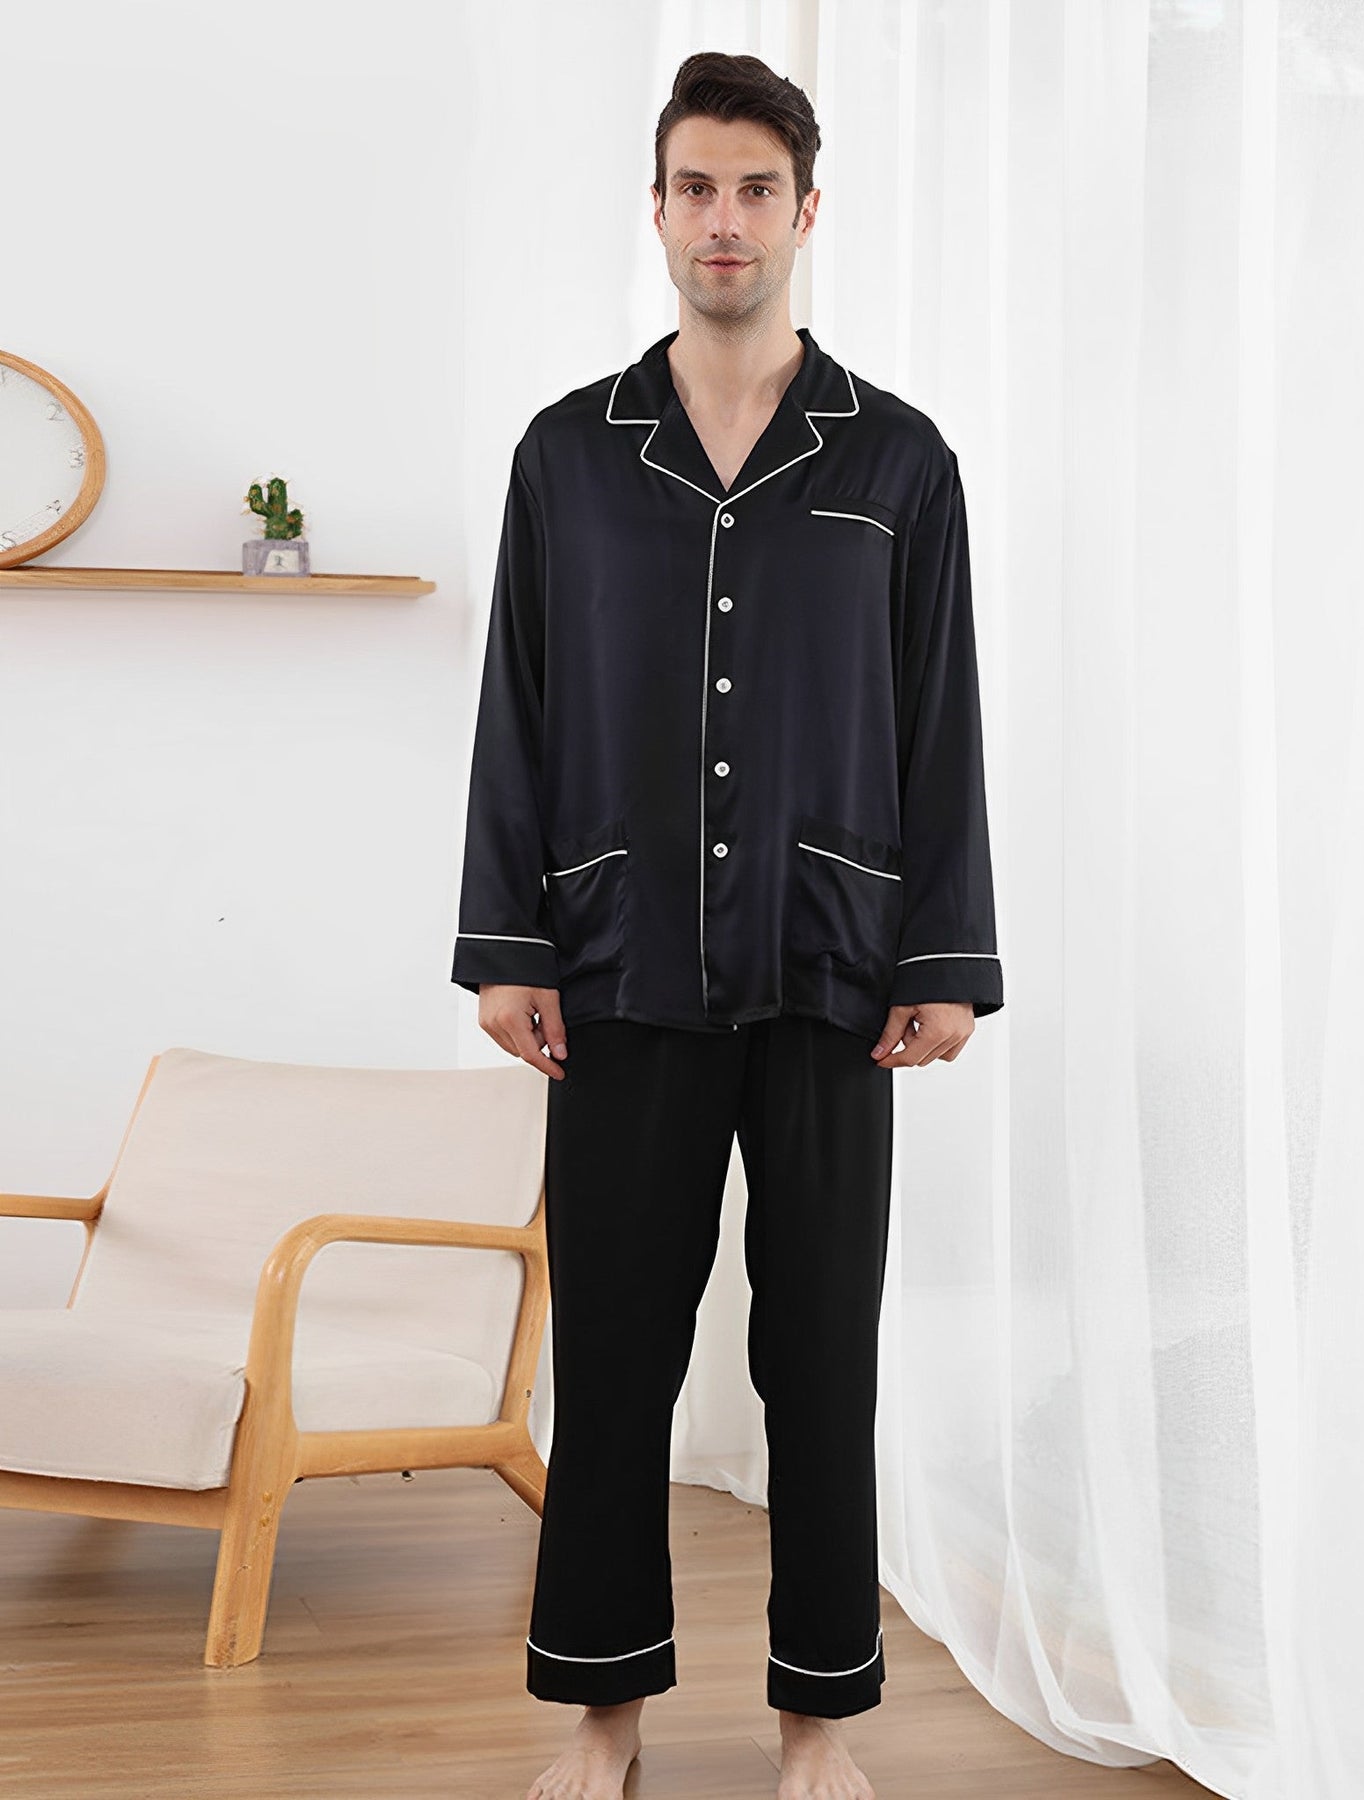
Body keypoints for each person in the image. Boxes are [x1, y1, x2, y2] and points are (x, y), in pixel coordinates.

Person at [452, 49, 1003, 1800]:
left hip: (837, 974)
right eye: (697, 186)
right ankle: (602, 1721)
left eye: (757, 189)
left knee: (819, 1356)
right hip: (618, 971)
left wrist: (946, 958)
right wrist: (509, 942)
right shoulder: (569, 455)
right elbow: (519, 705)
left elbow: (939, 721)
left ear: (805, 211)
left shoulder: (898, 461)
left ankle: (818, 1725)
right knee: (617, 1352)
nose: (726, 219)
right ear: (658, 207)